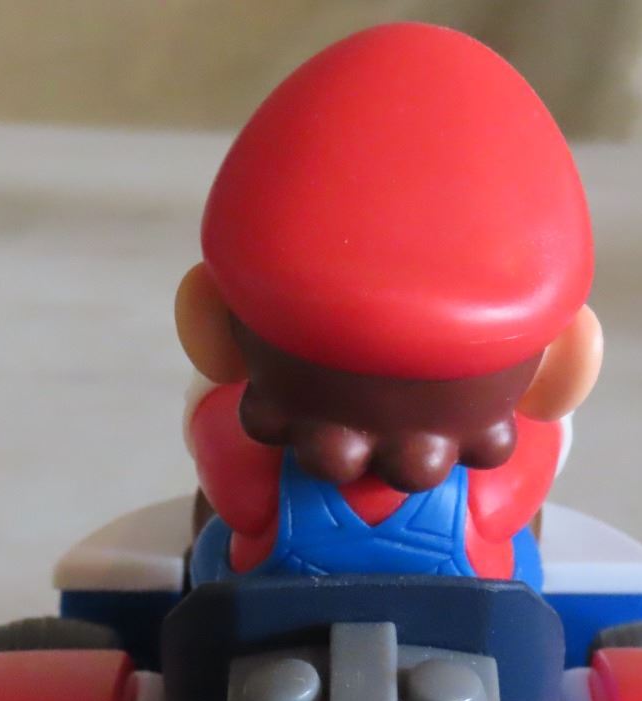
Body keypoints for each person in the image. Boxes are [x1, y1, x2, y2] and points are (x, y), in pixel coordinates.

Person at [175, 23, 603, 591]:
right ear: (568, 363)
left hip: (255, 602)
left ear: (208, 325)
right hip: (476, 606)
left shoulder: (248, 474)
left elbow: (221, 454)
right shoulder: (496, 489)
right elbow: (535, 457)